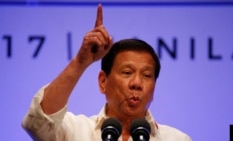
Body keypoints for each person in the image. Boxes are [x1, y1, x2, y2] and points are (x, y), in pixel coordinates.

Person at [22, 4, 192, 141]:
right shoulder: (76, 132)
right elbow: (39, 121)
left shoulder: (176, 139)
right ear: (103, 82)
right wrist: (80, 62)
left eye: (147, 75)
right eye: (127, 72)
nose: (137, 83)